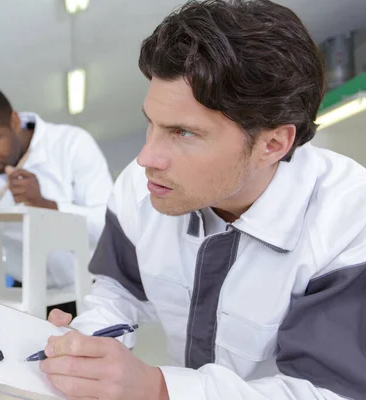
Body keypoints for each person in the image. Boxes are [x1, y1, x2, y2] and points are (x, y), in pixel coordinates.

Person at [38, 1, 366, 399]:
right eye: (151, 124)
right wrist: (83, 345)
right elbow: (119, 293)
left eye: (183, 133)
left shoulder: (349, 220)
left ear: (273, 143)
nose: (146, 159)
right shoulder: (140, 188)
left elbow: (324, 391)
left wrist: (157, 388)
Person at [0, 84, 113, 315]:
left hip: (90, 290)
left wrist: (45, 205)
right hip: (25, 296)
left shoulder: (72, 143)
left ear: (15, 121)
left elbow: (108, 226)